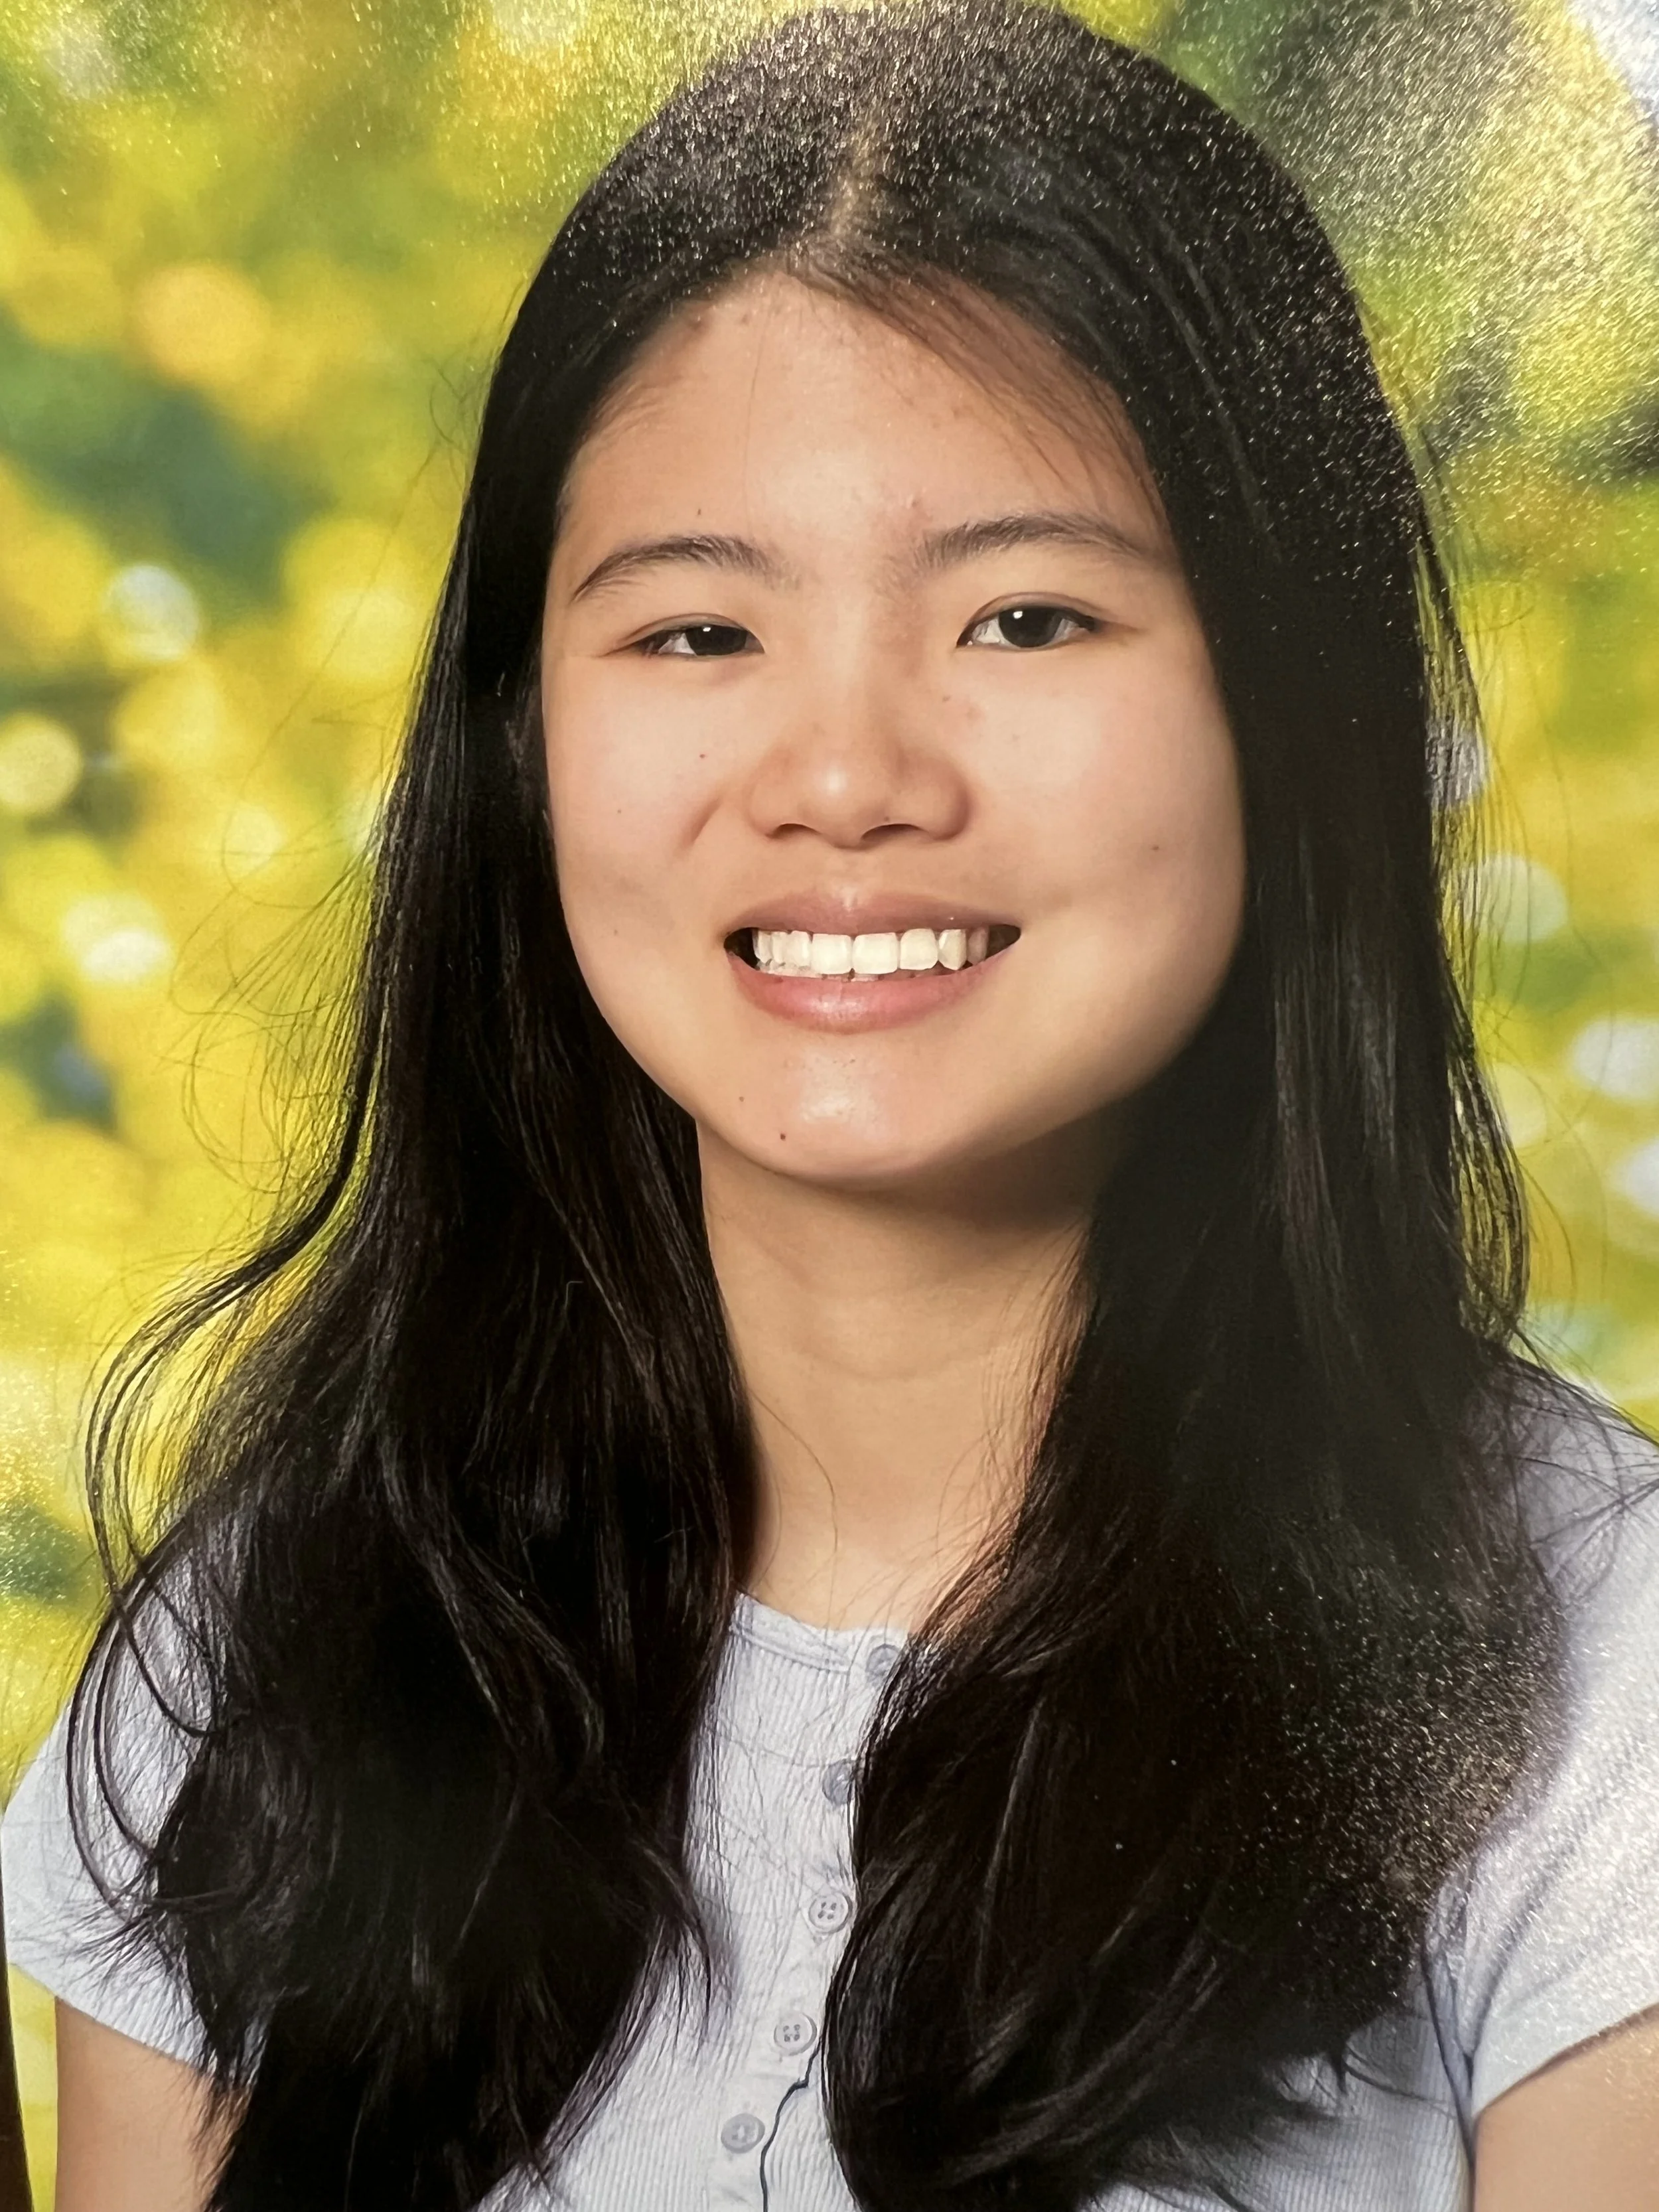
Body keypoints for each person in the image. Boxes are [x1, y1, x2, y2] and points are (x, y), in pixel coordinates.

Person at [5, 3, 1659, 2206]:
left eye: (1025, 615)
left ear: (1286, 699)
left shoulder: (1595, 1684)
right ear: (519, 748)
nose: (848, 776)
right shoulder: (269, 1656)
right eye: (696, 635)